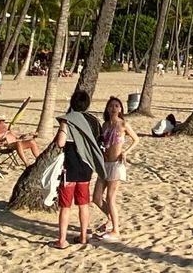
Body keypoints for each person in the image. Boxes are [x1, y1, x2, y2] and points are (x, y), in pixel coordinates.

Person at [53, 90, 105, 249]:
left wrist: (62, 126)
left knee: (66, 206)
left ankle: (62, 240)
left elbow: (60, 143)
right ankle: (83, 236)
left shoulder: (68, 121)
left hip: (70, 168)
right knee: (83, 204)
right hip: (86, 168)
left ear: (72, 103)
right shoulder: (94, 121)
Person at [95, 96, 139, 241]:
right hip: (104, 163)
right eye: (111, 106)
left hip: (116, 164)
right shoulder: (105, 125)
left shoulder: (124, 124)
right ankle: (110, 219)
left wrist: (125, 152)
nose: (114, 108)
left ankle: (116, 229)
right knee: (96, 197)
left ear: (120, 109)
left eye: (117, 106)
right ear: (107, 108)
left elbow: (136, 139)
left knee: (110, 198)